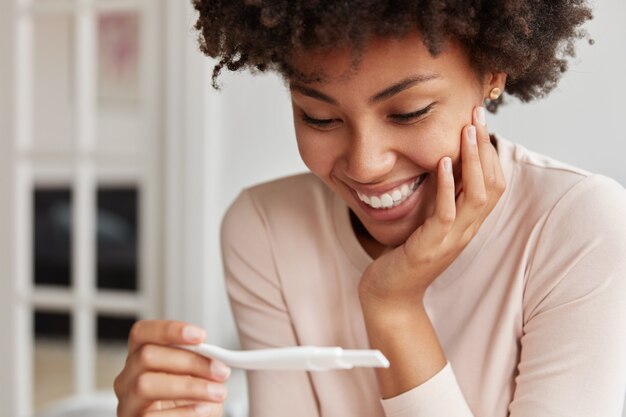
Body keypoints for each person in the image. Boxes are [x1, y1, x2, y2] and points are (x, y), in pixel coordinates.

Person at [114, 1, 626, 416]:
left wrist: (394, 307)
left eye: (409, 112)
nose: (365, 165)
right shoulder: (266, 229)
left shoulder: (579, 227)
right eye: (318, 117)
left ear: (493, 73)